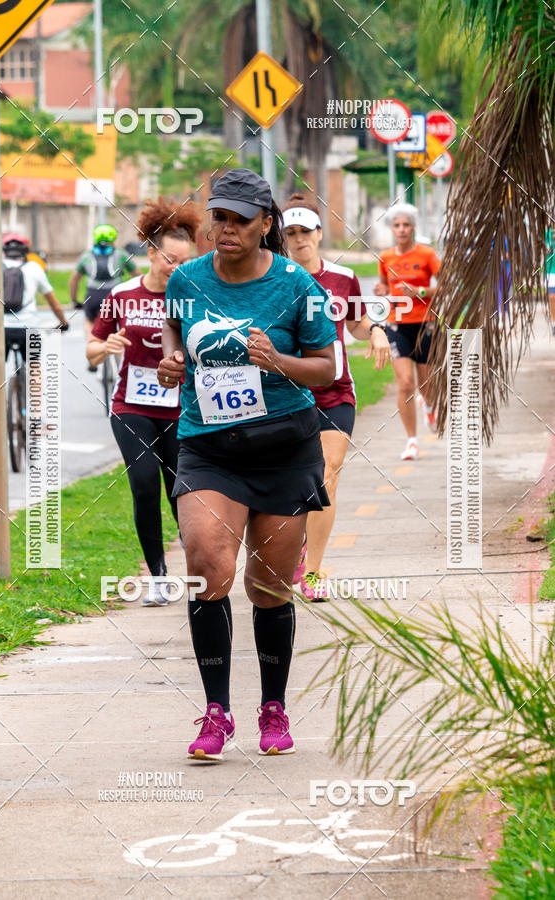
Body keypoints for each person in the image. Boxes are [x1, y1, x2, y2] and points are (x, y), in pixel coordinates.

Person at [157, 168, 336, 760]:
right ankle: (215, 711)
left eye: (239, 219)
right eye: (219, 217)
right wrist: (173, 359)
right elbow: (172, 332)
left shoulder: (297, 285)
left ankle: (273, 707)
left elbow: (328, 369)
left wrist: (278, 361)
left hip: (284, 450)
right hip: (209, 447)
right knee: (207, 562)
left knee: (268, 587)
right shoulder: (184, 280)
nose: (226, 228)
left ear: (267, 225)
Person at [86, 198, 201, 606]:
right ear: (151, 253)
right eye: (171, 259)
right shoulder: (121, 295)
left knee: (180, 492)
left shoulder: (193, 294)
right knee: (144, 484)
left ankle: (201, 572)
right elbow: (92, 349)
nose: (178, 268)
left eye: (186, 261)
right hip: (131, 406)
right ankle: (157, 575)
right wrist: (106, 346)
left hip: (181, 409)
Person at [281, 194, 391, 600]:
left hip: (335, 392)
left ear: (319, 233)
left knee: (327, 473)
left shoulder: (342, 279)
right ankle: (296, 546)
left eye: (305, 231)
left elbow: (358, 323)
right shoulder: (275, 279)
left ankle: (313, 574)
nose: (298, 239)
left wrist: (377, 330)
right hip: (289, 393)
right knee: (295, 482)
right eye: (290, 233)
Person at [374, 203, 441, 460]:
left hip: (425, 324)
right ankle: (412, 441)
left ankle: (430, 404)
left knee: (426, 382)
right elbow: (383, 286)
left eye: (406, 225)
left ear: (413, 228)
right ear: (392, 229)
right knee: (405, 383)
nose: (401, 230)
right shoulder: (386, 258)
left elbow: (446, 284)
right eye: (397, 225)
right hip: (396, 324)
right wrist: (381, 291)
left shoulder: (426, 254)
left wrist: (421, 291)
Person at [0, 233, 68, 374]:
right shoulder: (35, 268)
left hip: (2, 328)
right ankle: (36, 395)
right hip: (28, 326)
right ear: (26, 251)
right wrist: (63, 322)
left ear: (4, 251)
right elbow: (53, 303)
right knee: (34, 367)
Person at [69, 224, 138, 363]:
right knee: (120, 325)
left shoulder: (86, 256)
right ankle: (120, 360)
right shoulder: (122, 254)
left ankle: (92, 350)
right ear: (114, 239)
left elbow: (74, 280)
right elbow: (137, 276)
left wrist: (74, 300)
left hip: (93, 296)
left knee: (89, 320)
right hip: (115, 296)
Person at [546, 227, 555, 336]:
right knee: (552, 297)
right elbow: (543, 249)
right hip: (551, 270)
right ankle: (554, 323)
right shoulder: (547, 234)